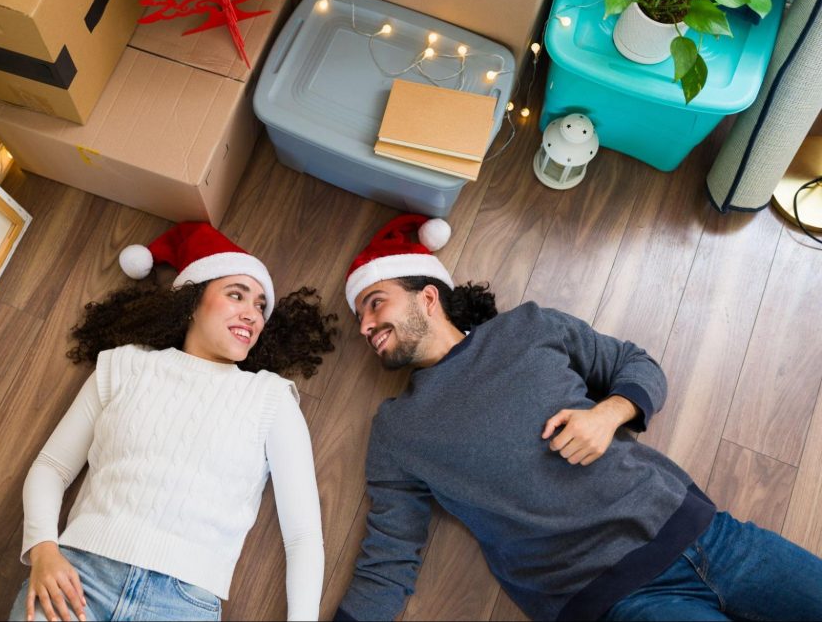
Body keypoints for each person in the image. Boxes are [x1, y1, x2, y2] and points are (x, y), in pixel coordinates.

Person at [334, 214, 822, 621]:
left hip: (712, 535)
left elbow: (637, 365)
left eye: (375, 304)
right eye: (360, 318)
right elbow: (390, 554)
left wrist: (609, 415)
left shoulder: (527, 328)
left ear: (427, 297)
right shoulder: (398, 430)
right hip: (621, 599)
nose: (366, 326)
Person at [9, 223, 337, 622]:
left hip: (182, 606)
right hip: (77, 579)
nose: (252, 314)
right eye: (237, 295)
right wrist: (43, 548)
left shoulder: (271, 399)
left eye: (260, 307)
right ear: (194, 303)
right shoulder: (124, 364)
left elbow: (302, 536)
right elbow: (53, 467)